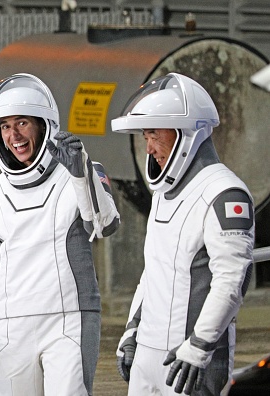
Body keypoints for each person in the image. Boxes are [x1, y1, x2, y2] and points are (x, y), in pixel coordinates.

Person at [0, 73, 120, 396]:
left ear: (44, 125)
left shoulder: (82, 173)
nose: (14, 135)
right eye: (4, 126)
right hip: (12, 330)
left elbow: (105, 225)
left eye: (22, 123)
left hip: (70, 322)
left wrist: (81, 173)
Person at [111, 73, 255, 395]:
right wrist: (132, 332)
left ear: (185, 133)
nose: (149, 149)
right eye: (145, 136)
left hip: (190, 360)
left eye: (154, 135)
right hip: (147, 356)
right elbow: (154, 271)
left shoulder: (225, 193)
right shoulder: (164, 192)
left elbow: (232, 280)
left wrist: (200, 346)